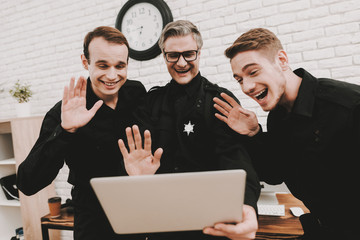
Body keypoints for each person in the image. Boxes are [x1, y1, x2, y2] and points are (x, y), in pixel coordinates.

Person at [118, 20, 261, 240]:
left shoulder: (220, 101)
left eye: (189, 54)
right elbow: (137, 161)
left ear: (199, 53)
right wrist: (137, 178)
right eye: (173, 55)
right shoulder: (149, 103)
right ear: (164, 56)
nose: (181, 62)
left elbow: (236, 159)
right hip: (163, 225)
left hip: (213, 225)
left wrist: (246, 206)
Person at [213, 28, 359, 240]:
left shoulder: (349, 106)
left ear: (281, 60)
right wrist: (254, 134)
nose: (246, 87)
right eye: (239, 79)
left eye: (253, 72)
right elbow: (275, 173)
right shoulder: (277, 117)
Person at [16, 26, 146, 240]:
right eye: (103, 65)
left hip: (137, 216)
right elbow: (28, 183)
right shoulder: (63, 111)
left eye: (120, 66)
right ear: (86, 62)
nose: (112, 75)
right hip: (93, 223)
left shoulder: (136, 92)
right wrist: (66, 130)